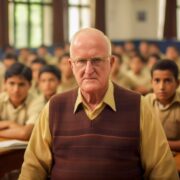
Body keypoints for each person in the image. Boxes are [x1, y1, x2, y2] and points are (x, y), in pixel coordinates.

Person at [19, 28, 179, 179]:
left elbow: (162, 171)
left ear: (111, 63)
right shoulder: (55, 107)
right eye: (81, 61)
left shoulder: (138, 106)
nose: (89, 70)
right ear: (71, 65)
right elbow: (33, 168)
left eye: (96, 60)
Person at [145, 59, 180, 152]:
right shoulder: (146, 102)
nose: (161, 87)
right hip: (149, 153)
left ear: (177, 83)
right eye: (157, 80)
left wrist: (160, 144)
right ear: (151, 82)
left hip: (174, 155)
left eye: (167, 81)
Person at [0, 63, 38, 140]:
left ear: (30, 85)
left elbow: (25, 133)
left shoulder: (37, 102)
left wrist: (9, 124)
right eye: (12, 83)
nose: (16, 90)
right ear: (5, 83)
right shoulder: (1, 98)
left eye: (21, 84)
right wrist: (10, 125)